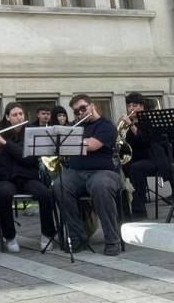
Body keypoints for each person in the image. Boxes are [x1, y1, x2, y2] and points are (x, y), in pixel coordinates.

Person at [53, 94, 123, 256]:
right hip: (77, 173)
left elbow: (92, 145)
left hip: (103, 172)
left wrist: (68, 141)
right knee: (59, 185)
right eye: (76, 111)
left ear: (92, 106)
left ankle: (112, 240)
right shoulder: (75, 126)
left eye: (83, 108)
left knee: (100, 186)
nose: (80, 113)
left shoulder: (106, 125)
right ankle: (78, 238)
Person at [0, 102, 55, 252]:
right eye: (15, 115)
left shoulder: (30, 133)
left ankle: (47, 234)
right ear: (7, 117)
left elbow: (28, 158)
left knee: (45, 194)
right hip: (5, 178)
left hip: (27, 177)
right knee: (3, 194)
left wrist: (5, 143)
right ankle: (10, 236)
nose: (19, 117)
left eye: (21, 114)